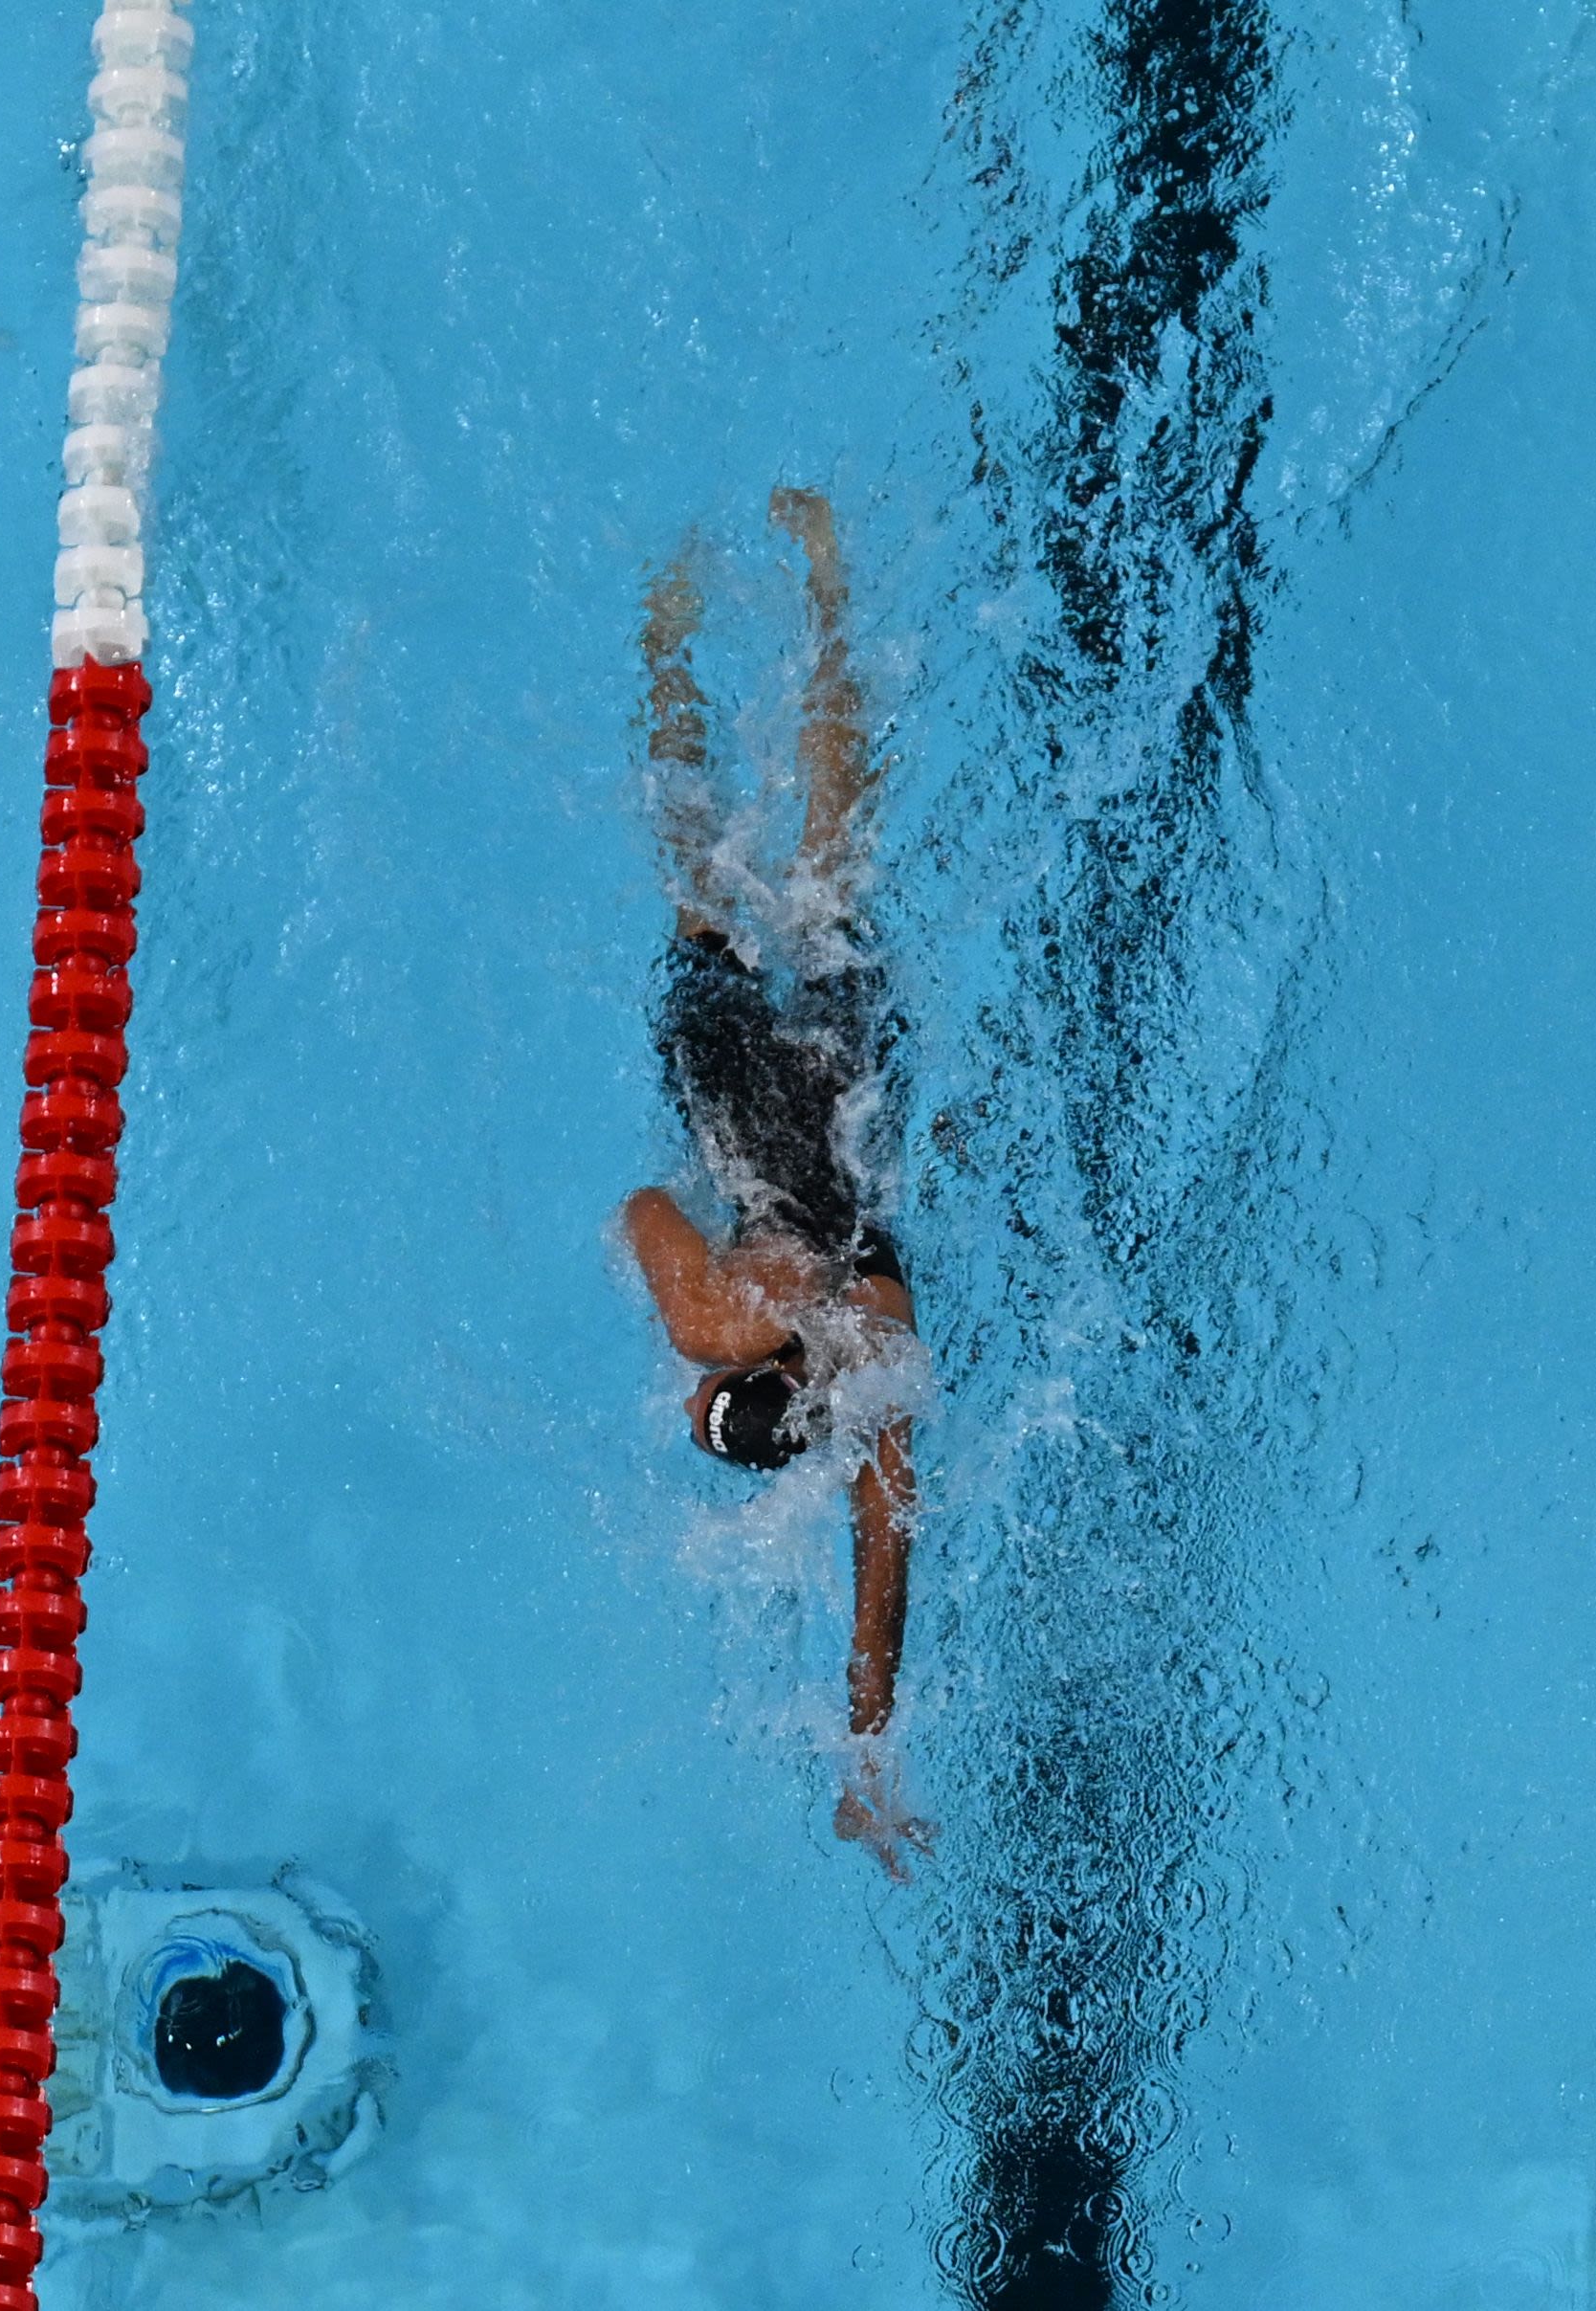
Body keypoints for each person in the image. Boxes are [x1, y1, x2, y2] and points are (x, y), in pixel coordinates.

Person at [619, 488, 931, 1878]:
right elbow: (642, 1208)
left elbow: (885, 1573)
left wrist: (870, 1758)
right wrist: (708, 1267)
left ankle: (827, 584)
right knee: (703, 881)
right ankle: (673, 634)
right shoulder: (710, 1320)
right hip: (740, 1112)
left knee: (827, 869)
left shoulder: (877, 1352)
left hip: (842, 1099)